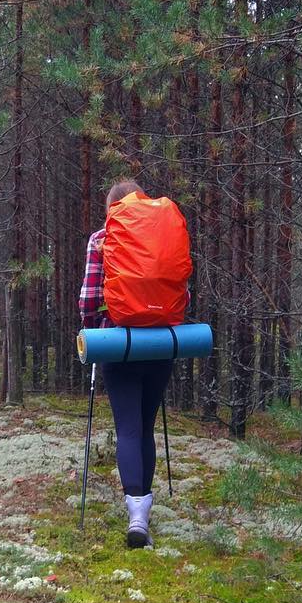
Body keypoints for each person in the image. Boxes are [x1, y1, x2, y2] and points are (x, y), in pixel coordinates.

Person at [79, 180, 182, 548]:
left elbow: (89, 297)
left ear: (112, 207)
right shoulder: (164, 233)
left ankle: (136, 514)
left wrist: (94, 337)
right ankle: (145, 511)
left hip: (118, 343)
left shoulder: (101, 238)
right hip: (160, 344)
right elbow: (180, 291)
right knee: (146, 425)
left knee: (127, 428)